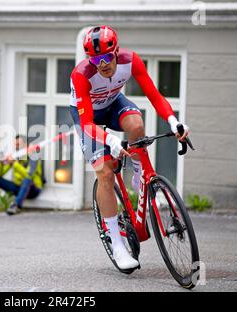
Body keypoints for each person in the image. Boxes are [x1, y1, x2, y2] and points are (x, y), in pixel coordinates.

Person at [70, 25, 190, 270]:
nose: (102, 64)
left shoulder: (130, 60)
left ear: (116, 51)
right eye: (95, 59)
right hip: (89, 117)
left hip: (114, 104)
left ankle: (139, 175)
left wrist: (174, 121)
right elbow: (86, 123)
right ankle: (117, 244)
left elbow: (154, 95)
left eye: (106, 56)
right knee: (104, 172)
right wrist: (111, 140)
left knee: (136, 125)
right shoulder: (81, 75)